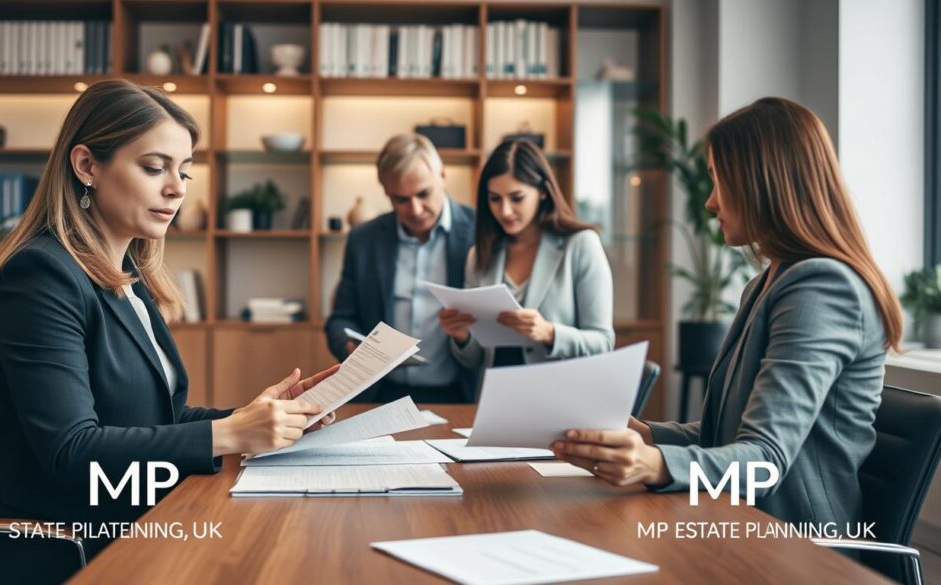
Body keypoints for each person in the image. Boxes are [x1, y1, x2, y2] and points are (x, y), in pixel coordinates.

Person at [0, 80, 336, 557]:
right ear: (87, 166)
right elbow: (71, 452)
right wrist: (231, 434)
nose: (176, 188)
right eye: (154, 167)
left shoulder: (127, 276)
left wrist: (260, 417)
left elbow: (156, 419)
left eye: (185, 172)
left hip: (132, 516)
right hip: (58, 541)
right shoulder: (41, 275)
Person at [551, 97, 903, 531]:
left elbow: (764, 463)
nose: (710, 203)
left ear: (763, 184)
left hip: (795, 542)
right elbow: (731, 436)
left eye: (719, 181)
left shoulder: (822, 288)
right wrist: (647, 436)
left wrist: (656, 464)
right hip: (740, 521)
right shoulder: (767, 284)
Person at [439, 140, 614, 383]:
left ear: (543, 191)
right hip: (496, 399)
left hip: (560, 400)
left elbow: (603, 343)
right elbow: (474, 360)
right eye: (494, 199)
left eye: (517, 198)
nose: (505, 211)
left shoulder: (581, 245)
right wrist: (461, 336)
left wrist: (549, 332)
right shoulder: (480, 255)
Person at [324, 134, 476, 403]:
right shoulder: (363, 239)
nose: (415, 209)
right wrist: (351, 348)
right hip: (379, 393)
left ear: (442, 175)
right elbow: (340, 319)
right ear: (386, 193)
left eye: (423, 194)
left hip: (461, 393)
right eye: (401, 200)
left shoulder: (480, 232)